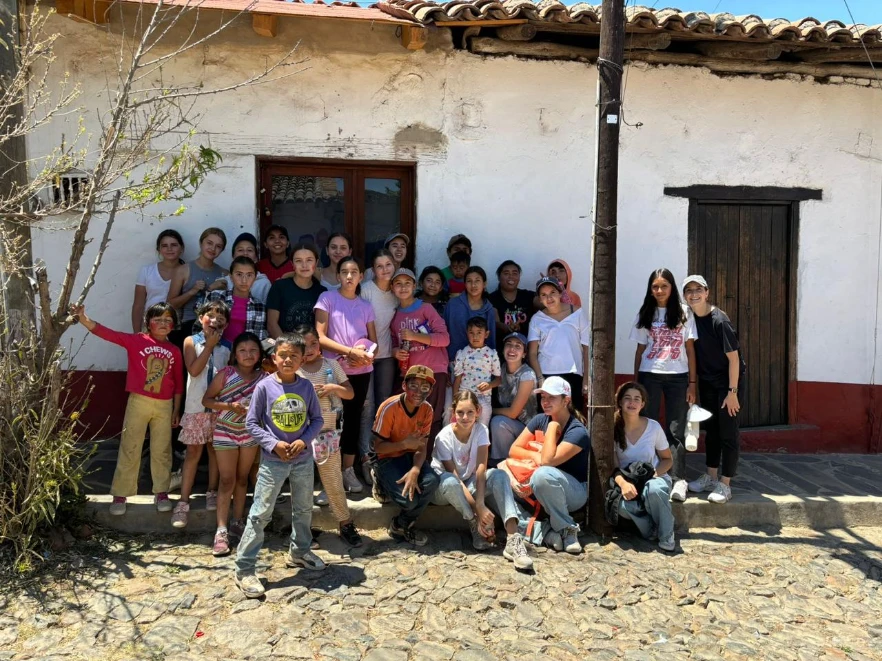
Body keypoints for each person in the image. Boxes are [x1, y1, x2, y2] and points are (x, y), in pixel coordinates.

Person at [70, 303, 183, 516]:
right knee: (130, 446)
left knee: (162, 450)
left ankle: (161, 492)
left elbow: (178, 383)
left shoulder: (174, 351)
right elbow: (107, 333)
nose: (163, 323)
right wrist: (84, 318)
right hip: (138, 401)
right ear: (148, 322)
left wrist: (176, 409)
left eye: (168, 320)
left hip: (164, 405)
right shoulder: (136, 341)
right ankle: (121, 494)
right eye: (158, 319)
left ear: (174, 325)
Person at [235, 332, 325, 598]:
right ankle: (244, 568)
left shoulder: (306, 387)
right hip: (273, 462)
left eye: (293, 356)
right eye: (283, 355)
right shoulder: (264, 387)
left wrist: (303, 440)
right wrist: (273, 444)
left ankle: (299, 551)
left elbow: (317, 420)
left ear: (302, 359)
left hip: (302, 460)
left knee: (303, 508)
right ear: (274, 358)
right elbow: (252, 423)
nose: (287, 360)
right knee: (261, 513)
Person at [630, 267, 697, 503]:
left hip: (678, 377)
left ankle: (678, 479)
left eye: (664, 286)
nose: (659, 290)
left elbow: (690, 350)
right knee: (647, 425)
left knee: (675, 429)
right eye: (655, 286)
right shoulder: (645, 313)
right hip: (650, 375)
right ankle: (648, 473)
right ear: (651, 289)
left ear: (671, 287)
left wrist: (692, 383)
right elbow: (640, 350)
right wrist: (636, 383)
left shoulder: (684, 313)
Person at [295, 325, 362, 546]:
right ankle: (302, 529)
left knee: (333, 478)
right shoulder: (294, 369)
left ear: (320, 345)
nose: (309, 349)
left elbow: (350, 393)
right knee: (302, 482)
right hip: (300, 434)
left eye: (313, 343)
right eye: (303, 345)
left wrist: (332, 388)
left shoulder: (331, 365)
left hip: (328, 431)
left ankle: (345, 522)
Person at [314, 256, 376, 494]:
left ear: (361, 276)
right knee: (330, 421)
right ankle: (327, 474)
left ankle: (347, 470)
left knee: (352, 420)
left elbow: (374, 343)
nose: (349, 276)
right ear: (338, 275)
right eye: (344, 272)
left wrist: (365, 355)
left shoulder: (366, 306)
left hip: (361, 372)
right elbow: (320, 337)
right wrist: (349, 351)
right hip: (332, 369)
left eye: (354, 272)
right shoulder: (327, 298)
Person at [507, 377, 590, 554]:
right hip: (538, 487)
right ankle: (544, 533)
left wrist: (552, 427)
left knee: (542, 474)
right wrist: (534, 455)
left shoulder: (577, 431)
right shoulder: (539, 419)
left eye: (551, 397)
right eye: (543, 397)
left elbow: (548, 461)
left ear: (566, 401)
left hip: (573, 492)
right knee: (497, 481)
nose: (545, 402)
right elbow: (514, 449)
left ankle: (567, 529)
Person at [202, 332, 266, 556]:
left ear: (260, 354)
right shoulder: (226, 374)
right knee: (226, 479)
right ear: (235, 355)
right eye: (242, 350)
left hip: (250, 433)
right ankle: (221, 530)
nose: (248, 355)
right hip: (225, 432)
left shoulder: (265, 377)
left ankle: (238, 521)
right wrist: (230, 407)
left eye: (253, 350)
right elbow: (207, 400)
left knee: (242, 478)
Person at [682, 275, 744, 505]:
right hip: (707, 381)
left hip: (728, 382)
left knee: (728, 432)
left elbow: (734, 359)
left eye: (698, 289)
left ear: (707, 292)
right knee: (712, 431)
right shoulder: (689, 319)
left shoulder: (720, 321)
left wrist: (732, 392)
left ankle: (725, 484)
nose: (694, 294)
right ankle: (710, 476)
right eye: (689, 290)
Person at [171, 301, 230, 529]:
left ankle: (212, 492)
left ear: (226, 324)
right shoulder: (191, 341)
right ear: (200, 318)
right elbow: (194, 370)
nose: (215, 320)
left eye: (220, 318)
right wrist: (208, 346)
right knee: (193, 452)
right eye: (210, 315)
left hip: (218, 409)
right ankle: (183, 502)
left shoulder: (227, 347)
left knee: (215, 451)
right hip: (196, 408)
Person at [372, 365, 441, 546]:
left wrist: (415, 470)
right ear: (404, 386)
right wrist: (403, 444)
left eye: (424, 387)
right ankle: (379, 479)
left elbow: (422, 446)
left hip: (411, 457)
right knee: (409, 501)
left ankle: (400, 524)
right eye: (413, 386)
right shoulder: (389, 407)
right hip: (387, 457)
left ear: (430, 391)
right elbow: (377, 447)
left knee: (432, 481)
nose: (418, 392)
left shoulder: (427, 409)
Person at [612, 382, 676, 552]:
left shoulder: (653, 427)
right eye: (627, 398)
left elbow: (667, 460)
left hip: (654, 478)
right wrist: (623, 484)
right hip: (629, 481)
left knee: (655, 490)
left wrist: (654, 474)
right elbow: (614, 467)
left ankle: (667, 534)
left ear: (642, 404)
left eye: (636, 399)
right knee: (621, 507)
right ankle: (650, 529)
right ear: (620, 402)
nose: (632, 402)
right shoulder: (613, 427)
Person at [391, 267, 450, 446]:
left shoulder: (426, 308)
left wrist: (415, 336)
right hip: (410, 374)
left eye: (407, 283)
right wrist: (395, 352)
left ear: (415, 285)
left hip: (433, 371)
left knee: (431, 417)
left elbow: (444, 338)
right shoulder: (395, 315)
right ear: (392, 288)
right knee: (407, 417)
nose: (403, 287)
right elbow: (393, 342)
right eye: (398, 283)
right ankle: (409, 456)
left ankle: (428, 458)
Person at [430, 391, 493, 551]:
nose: (465, 417)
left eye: (470, 412)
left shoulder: (481, 430)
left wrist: (480, 503)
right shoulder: (444, 437)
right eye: (460, 412)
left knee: (498, 475)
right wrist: (478, 512)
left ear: (478, 411)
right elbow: (455, 478)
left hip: (467, 483)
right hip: (443, 488)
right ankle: (473, 522)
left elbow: (481, 468)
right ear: (453, 412)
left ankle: (514, 530)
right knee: (451, 483)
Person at [359, 249, 399, 479]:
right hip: (365, 356)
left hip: (387, 356)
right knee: (367, 407)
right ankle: (366, 459)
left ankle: (381, 456)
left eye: (388, 265)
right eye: (379, 266)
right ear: (372, 270)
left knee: (384, 406)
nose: (385, 270)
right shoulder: (366, 290)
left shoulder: (396, 292)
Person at [527, 276, 590, 413]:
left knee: (573, 416)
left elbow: (587, 349)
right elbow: (532, 353)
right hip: (547, 375)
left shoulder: (578, 313)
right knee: (548, 418)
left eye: (552, 292)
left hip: (573, 374)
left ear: (560, 293)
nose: (549, 298)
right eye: (543, 295)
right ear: (539, 299)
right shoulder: (537, 319)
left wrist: (586, 379)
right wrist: (540, 378)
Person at [168, 228, 228, 339]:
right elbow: (171, 304)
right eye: (209, 243)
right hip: (189, 325)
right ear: (201, 243)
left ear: (222, 250)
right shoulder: (183, 270)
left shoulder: (224, 273)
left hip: (215, 327)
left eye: (218, 246)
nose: (213, 249)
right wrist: (192, 291)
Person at [490, 332, 537, 466]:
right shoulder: (501, 369)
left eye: (518, 346)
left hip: (526, 429)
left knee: (498, 422)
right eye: (509, 345)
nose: (512, 349)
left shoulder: (527, 375)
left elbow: (513, 413)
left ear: (524, 354)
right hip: (509, 425)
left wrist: (489, 410)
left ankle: (503, 464)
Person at [266, 242, 326, 337]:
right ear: (292, 264)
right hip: (284, 344)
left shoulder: (322, 292)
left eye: (309, 260)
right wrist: (286, 345)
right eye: (298, 261)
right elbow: (272, 324)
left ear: (316, 262)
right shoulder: (279, 287)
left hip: (312, 345)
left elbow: (322, 330)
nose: (304, 265)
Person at [207, 256, 268, 346]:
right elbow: (199, 328)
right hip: (215, 349)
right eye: (239, 274)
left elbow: (259, 338)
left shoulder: (259, 307)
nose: (244, 280)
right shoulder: (216, 297)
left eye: (249, 275)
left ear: (255, 278)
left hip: (245, 353)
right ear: (231, 277)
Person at [452, 317, 501, 428]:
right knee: (462, 424)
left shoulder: (492, 354)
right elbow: (457, 379)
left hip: (483, 398)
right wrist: (455, 401)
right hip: (464, 396)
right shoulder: (462, 353)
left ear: (486, 334)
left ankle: (481, 439)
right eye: (471, 333)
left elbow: (498, 379)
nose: (475, 336)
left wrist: (489, 385)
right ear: (467, 334)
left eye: (479, 332)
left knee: (484, 419)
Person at [132, 229, 184, 333]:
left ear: (181, 248)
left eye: (174, 245)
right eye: (164, 246)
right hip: (150, 326)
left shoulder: (188, 272)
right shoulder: (147, 271)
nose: (169, 249)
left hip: (177, 328)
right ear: (159, 249)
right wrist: (137, 334)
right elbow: (138, 305)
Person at [444, 266, 497, 361]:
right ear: (464, 284)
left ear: (484, 284)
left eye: (477, 281)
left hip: (480, 362)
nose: (473, 285)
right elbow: (443, 331)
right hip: (453, 359)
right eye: (469, 281)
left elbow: (490, 339)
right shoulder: (453, 304)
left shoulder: (489, 309)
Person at [488, 260, 536, 356]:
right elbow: (495, 321)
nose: (511, 277)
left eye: (515, 273)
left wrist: (548, 286)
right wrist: (506, 327)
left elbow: (544, 303)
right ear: (499, 277)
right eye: (506, 273)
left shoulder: (528, 296)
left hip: (526, 353)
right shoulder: (492, 298)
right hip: (501, 353)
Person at [222, 233, 272, 304]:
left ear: (256, 257)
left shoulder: (264, 283)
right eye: (240, 250)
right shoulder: (224, 282)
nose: (245, 253)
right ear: (233, 255)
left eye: (249, 250)